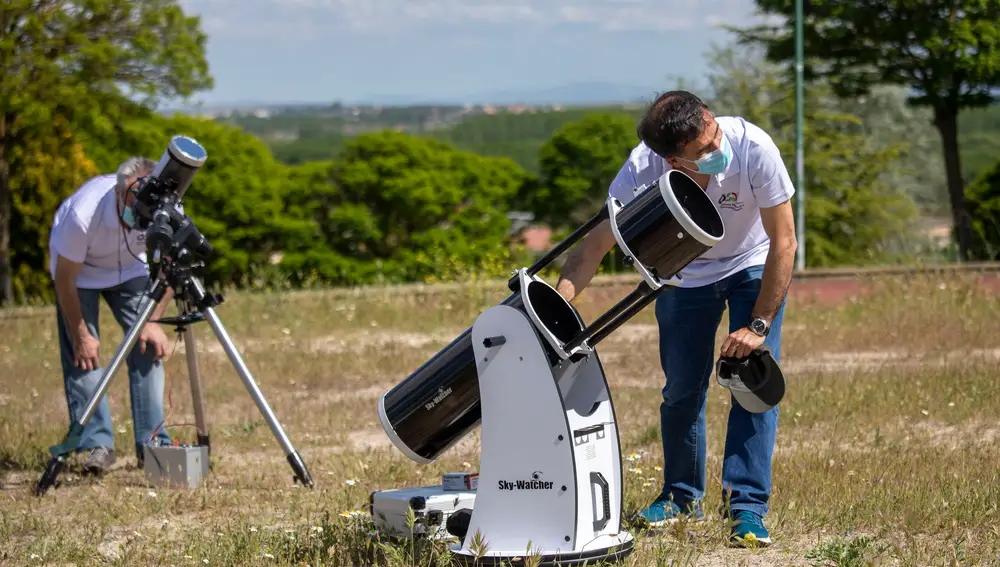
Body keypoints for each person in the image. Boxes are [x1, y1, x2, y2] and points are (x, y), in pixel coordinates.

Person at [555, 91, 797, 547]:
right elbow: (593, 247)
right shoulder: (641, 171)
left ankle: (746, 507)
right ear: (671, 160)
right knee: (682, 390)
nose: (716, 150)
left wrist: (759, 326)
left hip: (751, 262)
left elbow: (784, 241)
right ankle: (681, 496)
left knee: (752, 386)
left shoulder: (752, 147)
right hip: (683, 276)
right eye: (703, 151)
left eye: (715, 135)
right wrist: (558, 305)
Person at [48, 156, 175, 476]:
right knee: (85, 356)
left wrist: (153, 322)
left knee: (148, 347)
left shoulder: (168, 209)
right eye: (134, 204)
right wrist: (80, 334)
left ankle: (153, 444)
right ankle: (97, 445)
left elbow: (172, 269)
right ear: (119, 195)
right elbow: (64, 278)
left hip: (131, 270)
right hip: (80, 275)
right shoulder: (82, 214)